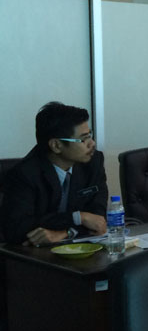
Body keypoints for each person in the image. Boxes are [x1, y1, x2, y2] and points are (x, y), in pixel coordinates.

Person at [1, 102, 108, 246]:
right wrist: (78, 217)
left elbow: (98, 219)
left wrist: (67, 232)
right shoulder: (24, 174)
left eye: (90, 135)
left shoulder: (93, 162)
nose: (92, 143)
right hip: (34, 256)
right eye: (83, 139)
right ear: (56, 145)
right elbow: (16, 228)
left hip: (81, 250)